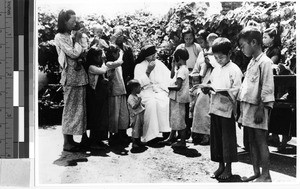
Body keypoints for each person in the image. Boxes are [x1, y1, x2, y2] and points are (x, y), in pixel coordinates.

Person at [202, 37, 243, 180]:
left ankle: (229, 168)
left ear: (229, 54)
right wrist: (207, 89)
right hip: (215, 108)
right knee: (217, 139)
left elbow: (237, 90)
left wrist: (226, 92)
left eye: (221, 57)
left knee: (227, 140)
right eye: (216, 57)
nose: (218, 60)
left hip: (227, 110)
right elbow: (213, 85)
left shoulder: (234, 70)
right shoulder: (216, 69)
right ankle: (220, 166)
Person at [237, 27, 275, 182]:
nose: (241, 49)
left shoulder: (265, 62)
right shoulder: (252, 62)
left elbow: (266, 87)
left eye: (243, 45)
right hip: (248, 106)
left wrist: (261, 108)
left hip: (258, 107)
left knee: (260, 140)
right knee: (250, 141)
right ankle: (256, 172)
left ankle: (266, 175)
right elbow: (246, 87)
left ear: (253, 42)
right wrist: (240, 110)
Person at [54, 9, 88, 152]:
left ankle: (79, 139)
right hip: (70, 77)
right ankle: (67, 142)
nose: (75, 23)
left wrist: (79, 41)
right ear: (64, 21)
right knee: (70, 109)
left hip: (80, 77)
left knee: (81, 109)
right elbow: (74, 53)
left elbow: (84, 50)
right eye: (72, 21)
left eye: (75, 21)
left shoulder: (72, 35)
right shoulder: (60, 37)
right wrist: (78, 40)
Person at [134, 45, 172, 143]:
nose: (153, 57)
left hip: (159, 89)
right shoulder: (139, 66)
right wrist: (148, 71)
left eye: (154, 54)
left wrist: (162, 87)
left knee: (165, 101)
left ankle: (166, 131)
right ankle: (151, 135)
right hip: (145, 91)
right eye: (151, 55)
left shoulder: (159, 64)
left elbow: (167, 78)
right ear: (146, 56)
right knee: (151, 104)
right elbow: (138, 84)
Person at [190, 30, 218, 145]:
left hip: (212, 81)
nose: (201, 44)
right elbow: (197, 68)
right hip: (202, 81)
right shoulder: (202, 53)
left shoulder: (215, 51)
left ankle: (207, 134)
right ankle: (198, 134)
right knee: (196, 106)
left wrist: (210, 62)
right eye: (199, 42)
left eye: (203, 41)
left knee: (204, 105)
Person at [161, 48, 190, 147]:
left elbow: (178, 87)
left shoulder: (182, 70)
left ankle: (182, 141)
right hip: (176, 98)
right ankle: (171, 138)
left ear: (178, 58)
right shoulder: (182, 68)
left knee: (179, 120)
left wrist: (167, 87)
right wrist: (173, 64)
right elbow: (172, 75)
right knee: (175, 118)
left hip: (179, 98)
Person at [105, 44, 130, 146]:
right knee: (114, 116)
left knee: (123, 115)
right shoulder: (109, 63)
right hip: (114, 93)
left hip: (121, 91)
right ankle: (113, 136)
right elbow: (119, 62)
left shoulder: (116, 64)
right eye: (116, 52)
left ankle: (122, 134)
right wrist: (121, 54)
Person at [127, 79, 145, 149]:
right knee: (135, 129)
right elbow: (134, 106)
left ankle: (139, 141)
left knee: (140, 128)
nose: (140, 89)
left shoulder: (136, 96)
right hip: (135, 116)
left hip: (139, 115)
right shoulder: (131, 97)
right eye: (139, 88)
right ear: (134, 89)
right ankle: (134, 142)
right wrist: (139, 101)